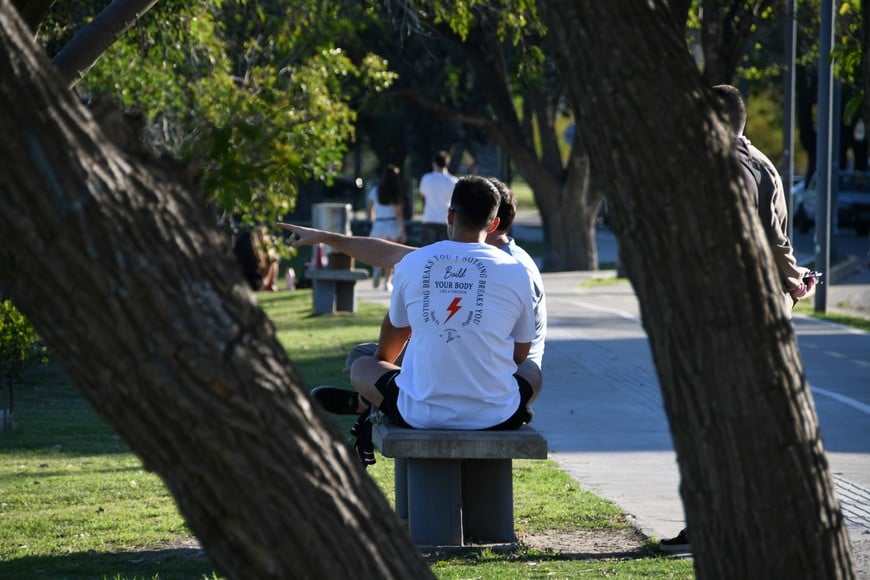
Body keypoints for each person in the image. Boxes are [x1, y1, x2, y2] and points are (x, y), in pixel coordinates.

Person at [659, 85, 819, 554]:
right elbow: (775, 241)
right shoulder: (760, 165)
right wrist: (794, 283)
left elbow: (764, 241)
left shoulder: (707, 168)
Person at [280, 177, 540, 462]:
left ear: (450, 215)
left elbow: (392, 342)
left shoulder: (416, 262)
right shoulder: (517, 271)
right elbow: (519, 355)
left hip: (419, 414)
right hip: (497, 415)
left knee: (362, 364)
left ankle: (367, 402)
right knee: (532, 371)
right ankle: (370, 402)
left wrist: (385, 372)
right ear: (493, 224)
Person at [367, 164, 406, 291]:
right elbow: (399, 214)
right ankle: (387, 281)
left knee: (377, 252)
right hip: (392, 224)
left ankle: (376, 270)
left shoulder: (375, 190)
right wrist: (402, 231)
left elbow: (370, 210)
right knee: (391, 255)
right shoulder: (396, 193)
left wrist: (374, 222)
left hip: (379, 224)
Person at [419, 150, 458, 245]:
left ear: (434, 163)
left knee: (427, 252)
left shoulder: (426, 178)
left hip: (429, 218)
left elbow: (423, 194)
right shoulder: (453, 181)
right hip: (446, 220)